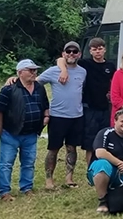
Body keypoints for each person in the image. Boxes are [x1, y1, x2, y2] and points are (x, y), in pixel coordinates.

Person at [0, 59, 50, 201]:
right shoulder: (9, 89)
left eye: (35, 70)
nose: (34, 73)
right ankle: (4, 192)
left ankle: (27, 187)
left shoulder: (39, 87)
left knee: (29, 162)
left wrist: (46, 116)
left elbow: (45, 104)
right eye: (30, 70)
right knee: (6, 163)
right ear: (20, 73)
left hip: (31, 133)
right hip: (10, 133)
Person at [56, 37, 116, 164]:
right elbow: (61, 59)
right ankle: (90, 169)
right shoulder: (84, 64)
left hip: (106, 108)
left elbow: (114, 83)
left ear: (104, 50)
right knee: (90, 142)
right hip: (89, 108)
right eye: (94, 49)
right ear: (90, 51)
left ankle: (103, 167)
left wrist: (111, 92)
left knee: (105, 139)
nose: (98, 52)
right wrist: (64, 70)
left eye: (100, 49)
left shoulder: (111, 66)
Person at [39, 41, 87, 190]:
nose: (71, 54)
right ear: (63, 54)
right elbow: (35, 83)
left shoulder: (82, 72)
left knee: (72, 148)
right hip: (57, 116)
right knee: (53, 148)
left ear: (79, 54)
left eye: (74, 51)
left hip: (76, 116)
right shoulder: (53, 71)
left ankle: (69, 178)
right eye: (68, 51)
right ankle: (49, 180)